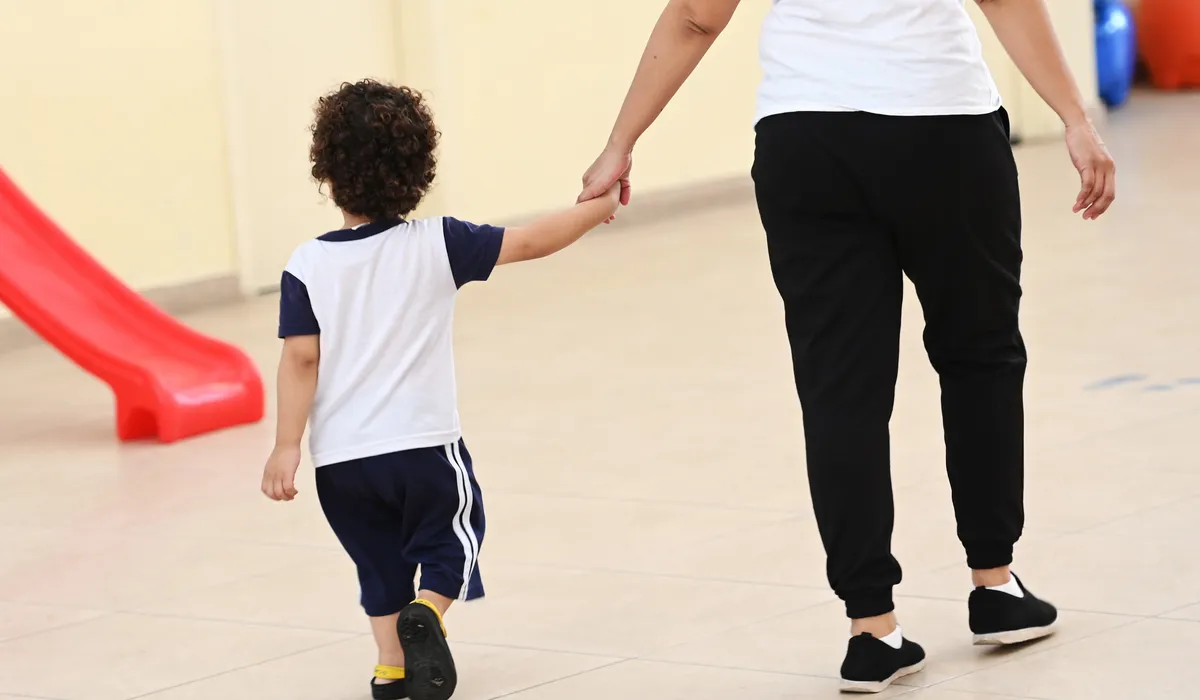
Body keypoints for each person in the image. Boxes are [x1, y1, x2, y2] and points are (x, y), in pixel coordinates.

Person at [577, 0, 1115, 693]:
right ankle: (995, 584)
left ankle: (872, 628)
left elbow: (694, 17)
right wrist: (1074, 116)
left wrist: (620, 142)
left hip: (806, 139)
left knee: (839, 389)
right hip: (943, 127)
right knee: (979, 357)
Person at [260, 79, 620, 700]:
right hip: (422, 447)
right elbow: (531, 241)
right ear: (417, 171)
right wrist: (600, 205)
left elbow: (300, 358)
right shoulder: (438, 243)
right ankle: (427, 611)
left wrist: (286, 445)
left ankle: (390, 669)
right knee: (454, 535)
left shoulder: (307, 264)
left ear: (328, 172)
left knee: (378, 564)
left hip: (342, 462)